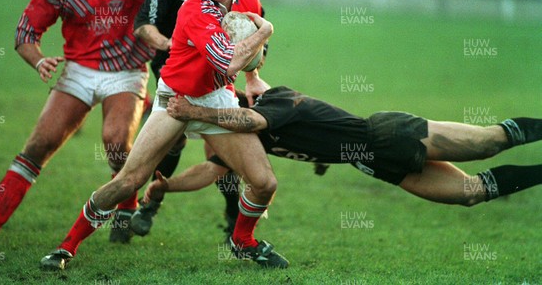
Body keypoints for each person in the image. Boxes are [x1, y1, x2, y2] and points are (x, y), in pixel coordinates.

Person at [39, 0, 289, 271]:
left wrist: (255, 73)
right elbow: (228, 62)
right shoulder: (195, 8)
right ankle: (66, 247)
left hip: (217, 99)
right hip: (176, 98)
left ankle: (243, 241)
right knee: (129, 180)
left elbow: (248, 57)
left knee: (264, 182)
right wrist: (267, 30)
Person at [0, 0, 169, 245]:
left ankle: (126, 208)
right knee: (38, 145)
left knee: (116, 141)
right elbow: (25, 33)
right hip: (79, 71)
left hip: (127, 70)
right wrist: (39, 60)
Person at [156, 86, 542, 209]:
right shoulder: (245, 144)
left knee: (489, 142)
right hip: (375, 164)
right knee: (471, 194)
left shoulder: (272, 102)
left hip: (388, 135)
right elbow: (210, 170)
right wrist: (165, 186)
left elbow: (253, 120)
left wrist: (194, 110)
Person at [131, 0, 261, 239]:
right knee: (165, 147)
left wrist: (254, 75)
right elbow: (144, 24)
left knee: (221, 161)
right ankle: (147, 207)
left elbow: (254, 46)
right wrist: (175, 43)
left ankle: (234, 221)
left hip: (218, 85)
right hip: (174, 82)